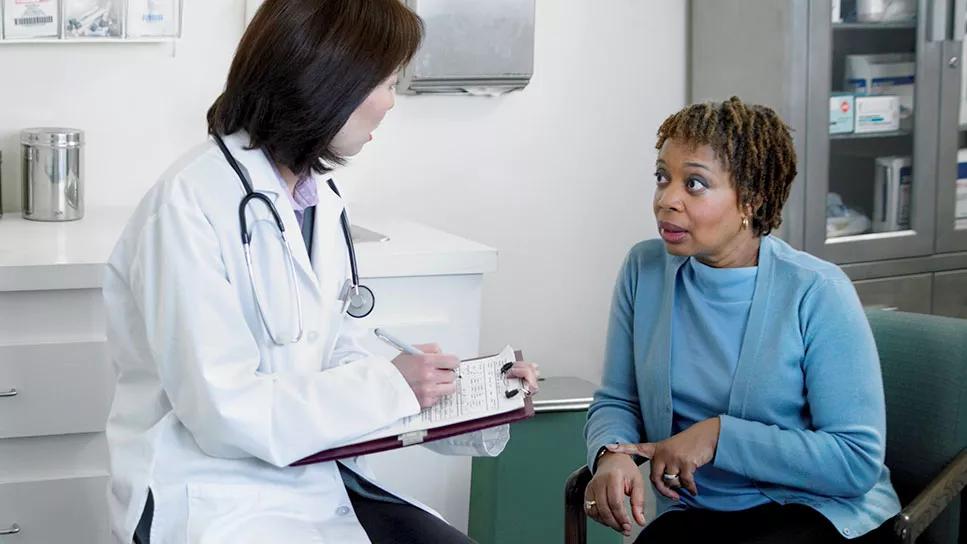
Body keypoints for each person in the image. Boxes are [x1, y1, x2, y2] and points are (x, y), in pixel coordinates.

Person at [102, 1, 538, 542]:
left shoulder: (316, 198)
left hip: (313, 476)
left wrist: (458, 393)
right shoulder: (187, 206)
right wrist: (389, 385)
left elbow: (332, 358)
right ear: (328, 82)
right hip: (213, 495)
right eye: (384, 81)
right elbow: (222, 413)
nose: (389, 103)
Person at [582, 97, 900, 543]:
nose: (666, 200)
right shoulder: (645, 270)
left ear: (752, 198)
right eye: (662, 177)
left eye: (694, 184)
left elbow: (854, 461)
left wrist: (718, 437)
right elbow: (618, 399)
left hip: (815, 512)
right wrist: (611, 454)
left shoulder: (817, 291)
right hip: (702, 512)